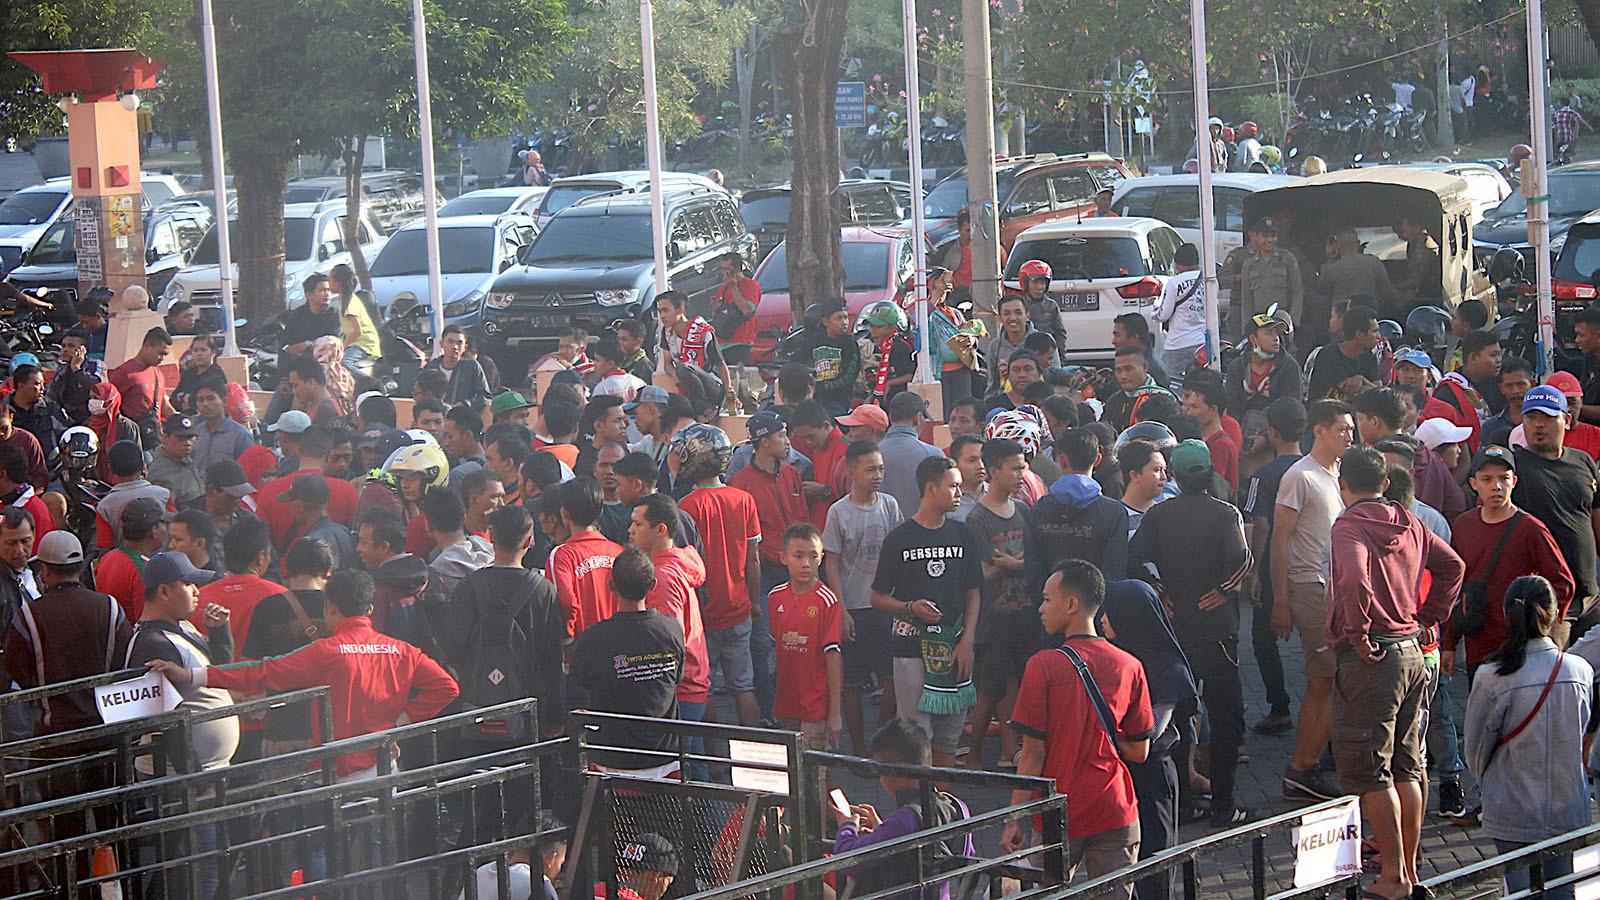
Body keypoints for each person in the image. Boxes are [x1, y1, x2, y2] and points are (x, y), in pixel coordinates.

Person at [151, 570, 459, 782]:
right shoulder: (401, 651)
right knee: (379, 853)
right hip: (382, 765)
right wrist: (398, 724)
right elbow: (447, 687)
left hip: (337, 772)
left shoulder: (326, 651)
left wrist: (192, 675)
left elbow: (262, 672)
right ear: (369, 607)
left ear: (330, 606)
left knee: (325, 855)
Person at [1326, 445, 1464, 900]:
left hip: (1373, 658)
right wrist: (1430, 615)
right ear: (1385, 484)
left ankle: (1394, 878)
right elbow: (1453, 566)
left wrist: (1359, 632)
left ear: (1342, 485)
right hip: (1411, 651)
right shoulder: (1409, 520)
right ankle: (1407, 869)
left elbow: (1352, 578)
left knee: (1371, 771)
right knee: (1407, 764)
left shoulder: (1349, 523)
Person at [1000, 560, 1152, 897]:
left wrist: (1013, 817)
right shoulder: (1130, 665)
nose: (1040, 608)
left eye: (1047, 599)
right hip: (1115, 807)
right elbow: (1139, 750)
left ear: (1071, 604)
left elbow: (1033, 753)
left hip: (1059, 813)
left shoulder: (1043, 666)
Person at [1131, 439, 1253, 825]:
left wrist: (1161, 591)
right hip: (1218, 631)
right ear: (1210, 474)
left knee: (1179, 717)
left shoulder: (1158, 515)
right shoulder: (1224, 513)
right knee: (1224, 717)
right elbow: (1243, 560)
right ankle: (1223, 803)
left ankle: (1180, 798)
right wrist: (1223, 590)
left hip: (1174, 629)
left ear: (1176, 477)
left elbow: (1135, 559)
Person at [1464, 576, 1591, 899]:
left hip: (1512, 803)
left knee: (1520, 891)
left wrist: (1487, 785)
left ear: (1507, 615)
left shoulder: (1492, 676)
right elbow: (1582, 727)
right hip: (1567, 803)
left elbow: (1476, 751)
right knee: (1563, 888)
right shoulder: (1579, 671)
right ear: (1554, 613)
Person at [870, 455, 982, 767]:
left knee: (949, 738)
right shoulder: (900, 538)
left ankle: (946, 809)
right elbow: (877, 596)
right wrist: (909, 607)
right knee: (916, 736)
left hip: (955, 645)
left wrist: (968, 642)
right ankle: (919, 810)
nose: (960, 493)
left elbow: (974, 591)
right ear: (931, 489)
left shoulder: (963, 535)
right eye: (953, 486)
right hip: (911, 648)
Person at [1269, 399, 1354, 801]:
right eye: (1342, 429)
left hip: (1334, 588)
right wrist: (1280, 600)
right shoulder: (1299, 476)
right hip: (1310, 587)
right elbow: (1279, 539)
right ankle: (1301, 768)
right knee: (1325, 679)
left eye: (1351, 429)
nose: (1349, 436)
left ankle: (1311, 761)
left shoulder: (1337, 475)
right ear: (1319, 430)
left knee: (1333, 678)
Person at [568, 547, 686, 775]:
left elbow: (578, 690)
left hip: (613, 761)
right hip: (666, 757)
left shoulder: (594, 639)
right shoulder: (672, 630)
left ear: (611, 585)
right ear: (652, 586)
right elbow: (676, 679)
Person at [675, 424, 763, 727]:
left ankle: (713, 763)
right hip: (739, 608)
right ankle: (755, 762)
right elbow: (753, 558)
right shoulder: (744, 499)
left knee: (704, 689)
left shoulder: (686, 506)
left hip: (703, 615)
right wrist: (755, 602)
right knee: (744, 685)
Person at [125, 551, 237, 785]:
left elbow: (221, 674)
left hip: (203, 771)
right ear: (163, 591)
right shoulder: (152, 643)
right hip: (179, 780)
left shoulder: (182, 626)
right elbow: (167, 723)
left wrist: (218, 633)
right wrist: (194, 781)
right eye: (188, 584)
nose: (197, 591)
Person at [822, 439, 902, 754]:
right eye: (870, 469)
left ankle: (881, 741)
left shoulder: (890, 505)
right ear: (852, 472)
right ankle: (858, 748)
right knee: (851, 684)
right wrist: (840, 611)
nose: (877, 475)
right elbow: (831, 563)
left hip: (884, 606)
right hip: (853, 607)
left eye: (880, 469)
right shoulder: (838, 512)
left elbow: (898, 553)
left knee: (891, 677)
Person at [833, 720, 975, 898]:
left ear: (892, 772)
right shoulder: (958, 807)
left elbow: (848, 860)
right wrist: (881, 828)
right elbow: (965, 862)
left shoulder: (904, 819)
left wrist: (847, 827)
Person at [964, 438, 1037, 769]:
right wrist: (1017, 563)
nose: (1022, 474)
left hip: (1027, 616)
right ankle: (975, 755)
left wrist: (1014, 563)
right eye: (1016, 468)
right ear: (994, 472)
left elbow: (1029, 560)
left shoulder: (1022, 509)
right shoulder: (978, 519)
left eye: (1023, 467)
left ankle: (1017, 751)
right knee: (990, 691)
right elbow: (982, 572)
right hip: (994, 620)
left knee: (1026, 690)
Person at [1512, 385, 1600, 642]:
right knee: (1553, 677)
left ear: (1567, 420)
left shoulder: (1583, 461)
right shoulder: (1514, 467)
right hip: (1550, 600)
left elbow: (1595, 518)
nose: (1539, 425)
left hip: (1591, 596)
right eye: (1531, 417)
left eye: (1548, 417)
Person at [1241, 398, 1306, 736]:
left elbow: (1261, 525)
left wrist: (1255, 571)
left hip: (1272, 568)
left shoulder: (1263, 475)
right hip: (1310, 566)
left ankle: (1279, 706)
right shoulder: (1317, 469)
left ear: (1272, 432)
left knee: (1262, 638)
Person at [628, 493, 711, 744]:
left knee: (688, 770)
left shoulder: (662, 577)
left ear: (660, 529)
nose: (630, 530)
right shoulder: (676, 565)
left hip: (680, 689)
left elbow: (668, 641)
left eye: (638, 524)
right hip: (690, 682)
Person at [767, 522, 844, 749]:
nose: (806, 564)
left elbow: (833, 658)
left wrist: (835, 713)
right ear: (783, 558)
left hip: (816, 704)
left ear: (821, 556)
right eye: (798, 556)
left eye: (812, 556)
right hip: (786, 701)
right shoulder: (775, 598)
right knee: (791, 766)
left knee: (815, 771)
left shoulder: (827, 601)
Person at [1034, 429, 1130, 580]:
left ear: (1062, 460)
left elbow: (1034, 569)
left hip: (1049, 600)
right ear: (1098, 459)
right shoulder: (1114, 512)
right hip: (1097, 600)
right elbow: (1115, 572)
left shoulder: (1040, 508)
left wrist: (1045, 601)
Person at [546, 477, 623, 642]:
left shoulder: (562, 555)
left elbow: (565, 603)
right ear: (600, 512)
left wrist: (567, 642)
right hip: (618, 649)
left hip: (581, 651)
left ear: (565, 514)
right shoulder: (619, 552)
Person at [1224, 313, 1302, 449]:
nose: (1276, 338)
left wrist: (1266, 440)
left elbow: (1292, 410)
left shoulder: (1289, 367)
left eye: (1276, 333)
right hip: (1242, 437)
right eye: (1268, 333)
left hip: (1279, 438)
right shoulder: (1236, 368)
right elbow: (1232, 409)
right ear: (1253, 339)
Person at [656, 290, 734, 410]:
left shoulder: (703, 331)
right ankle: (698, 407)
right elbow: (667, 364)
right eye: (660, 311)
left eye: (666, 310)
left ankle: (703, 407)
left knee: (683, 368)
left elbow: (720, 364)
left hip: (713, 386)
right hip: (687, 386)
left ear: (680, 310)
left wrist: (729, 391)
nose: (662, 316)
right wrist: (677, 377)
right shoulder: (666, 333)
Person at [96, 497, 169, 622]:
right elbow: (146, 623)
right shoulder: (146, 571)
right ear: (154, 530)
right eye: (163, 523)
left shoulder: (108, 557)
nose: (166, 529)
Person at [876, 391, 944, 516]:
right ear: (918, 418)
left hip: (881, 532)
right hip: (924, 530)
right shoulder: (932, 454)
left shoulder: (872, 454)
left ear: (890, 417)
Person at [95, 440, 171, 550]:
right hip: (164, 562)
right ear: (142, 465)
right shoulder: (164, 494)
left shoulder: (104, 506)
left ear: (111, 469)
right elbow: (176, 531)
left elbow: (106, 547)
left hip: (125, 563)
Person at [109, 327, 177, 447]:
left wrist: (180, 421)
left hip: (154, 439)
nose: (162, 358)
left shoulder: (158, 373)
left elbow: (165, 404)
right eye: (160, 353)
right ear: (147, 346)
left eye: (165, 355)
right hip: (132, 441)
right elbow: (110, 406)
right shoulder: (124, 372)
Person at [1154, 243, 1206, 390]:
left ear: (1178, 264)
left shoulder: (1175, 283)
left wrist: (1154, 311)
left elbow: (1163, 315)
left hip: (1177, 344)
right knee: (1200, 387)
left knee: (1169, 386)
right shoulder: (1208, 280)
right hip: (1202, 344)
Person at [1307, 304, 1381, 402]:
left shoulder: (1367, 355)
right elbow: (1349, 394)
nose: (1379, 336)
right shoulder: (1329, 356)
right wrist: (1367, 387)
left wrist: (1362, 379)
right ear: (1360, 334)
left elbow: (1380, 392)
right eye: (1375, 331)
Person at [1238, 217, 1304, 327]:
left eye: (1273, 236)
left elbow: (1297, 292)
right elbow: (1247, 299)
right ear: (1257, 236)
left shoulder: (1287, 259)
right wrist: (1247, 327)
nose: (1269, 240)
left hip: (1281, 317)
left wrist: (1293, 322)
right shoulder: (1249, 264)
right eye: (1265, 236)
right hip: (1259, 318)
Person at [1318, 227, 1398, 312]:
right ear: (1358, 243)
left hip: (1341, 317)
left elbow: (1321, 291)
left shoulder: (1331, 269)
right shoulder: (1373, 263)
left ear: (1337, 246)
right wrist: (1402, 297)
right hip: (1368, 314)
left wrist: (1330, 260)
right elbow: (1387, 292)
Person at [1103, 348, 1175, 434]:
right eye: (1118, 370)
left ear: (1145, 367)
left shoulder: (1162, 401)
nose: (1123, 376)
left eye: (1128, 369)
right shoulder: (1114, 400)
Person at [810, 299, 861, 414]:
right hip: (815, 397)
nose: (844, 322)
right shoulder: (816, 340)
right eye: (838, 318)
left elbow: (850, 375)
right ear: (825, 321)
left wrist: (824, 387)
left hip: (840, 399)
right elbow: (800, 361)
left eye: (845, 317)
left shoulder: (849, 342)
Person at [424, 325, 492, 409]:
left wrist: (465, 404)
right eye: (450, 342)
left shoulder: (472, 367)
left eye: (459, 343)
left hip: (462, 418)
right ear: (441, 344)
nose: (455, 347)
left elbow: (485, 397)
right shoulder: (431, 367)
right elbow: (419, 394)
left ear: (465, 347)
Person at [712, 252, 760, 366]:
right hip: (722, 343)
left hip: (740, 343)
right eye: (722, 269)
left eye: (727, 269)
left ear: (737, 268)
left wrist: (733, 287)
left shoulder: (750, 285)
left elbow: (747, 311)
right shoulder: (722, 289)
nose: (724, 273)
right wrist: (716, 308)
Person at [50, 327, 105, 426]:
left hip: (92, 421)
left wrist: (76, 369)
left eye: (71, 346)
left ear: (83, 350)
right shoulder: (62, 369)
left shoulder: (95, 365)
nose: (65, 350)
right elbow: (52, 397)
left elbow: (99, 388)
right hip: (66, 422)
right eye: (63, 346)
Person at [148, 414, 206, 508]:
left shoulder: (185, 459)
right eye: (181, 438)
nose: (187, 443)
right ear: (165, 438)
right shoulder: (160, 472)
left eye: (191, 437)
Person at [279, 273, 343, 358]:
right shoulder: (297, 315)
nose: (327, 294)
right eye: (322, 290)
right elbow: (286, 344)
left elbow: (332, 343)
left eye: (329, 290)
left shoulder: (334, 315)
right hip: (297, 362)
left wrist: (307, 345)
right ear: (309, 295)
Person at [1482, 356, 1534, 448]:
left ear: (1532, 384)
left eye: (1520, 384)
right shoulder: (1491, 426)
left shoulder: (1542, 423)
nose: (1515, 391)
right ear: (1501, 389)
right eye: (1509, 386)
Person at [1392, 214, 1443, 307]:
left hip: (1425, 293)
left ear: (1417, 227)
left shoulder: (1425, 248)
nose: (1402, 236)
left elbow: (1416, 280)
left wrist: (1396, 286)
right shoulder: (1414, 245)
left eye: (1404, 231)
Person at [988, 295, 1036, 389]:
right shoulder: (995, 346)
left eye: (1018, 313)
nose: (1013, 318)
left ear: (1027, 315)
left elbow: (1053, 375)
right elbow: (992, 384)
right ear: (1000, 318)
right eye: (1006, 313)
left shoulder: (1043, 340)